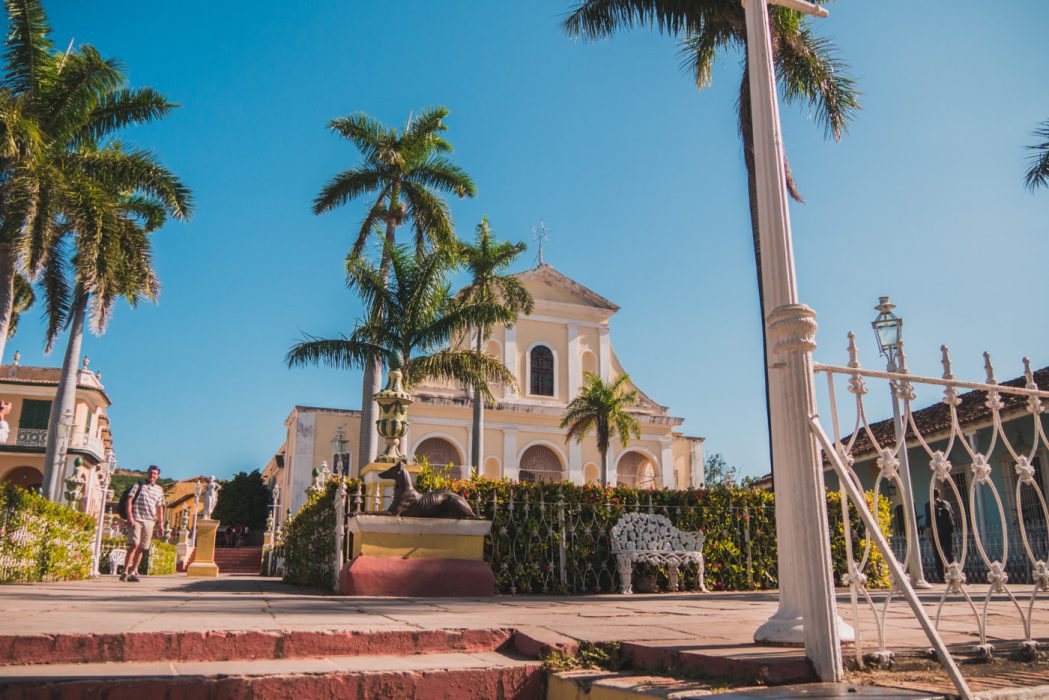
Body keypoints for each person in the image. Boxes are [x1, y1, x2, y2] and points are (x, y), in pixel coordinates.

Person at [123, 465, 166, 582]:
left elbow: (160, 508)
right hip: (136, 518)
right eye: (151, 473)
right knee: (134, 544)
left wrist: (161, 524)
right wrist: (130, 517)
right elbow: (129, 501)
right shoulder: (138, 485)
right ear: (147, 473)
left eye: (155, 474)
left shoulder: (159, 490)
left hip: (149, 521)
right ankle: (125, 571)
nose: (152, 475)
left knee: (142, 547)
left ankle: (133, 572)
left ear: (157, 476)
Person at [925, 488, 956, 582]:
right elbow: (953, 515)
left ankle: (941, 577)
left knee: (938, 554)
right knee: (949, 553)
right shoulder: (946, 503)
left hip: (937, 533)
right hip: (948, 532)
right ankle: (954, 573)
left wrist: (929, 536)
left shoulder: (928, 505)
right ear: (939, 495)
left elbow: (928, 521)